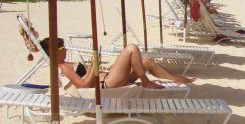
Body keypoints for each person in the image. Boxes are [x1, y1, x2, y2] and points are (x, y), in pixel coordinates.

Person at [40, 38, 196, 90]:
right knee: (131, 48)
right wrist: (94, 64)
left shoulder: (66, 63)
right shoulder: (63, 67)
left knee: (146, 61)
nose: (65, 49)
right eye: (62, 47)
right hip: (106, 84)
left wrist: (94, 65)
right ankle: (145, 81)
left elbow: (86, 76)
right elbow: (83, 85)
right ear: (53, 52)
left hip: (108, 77)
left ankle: (177, 78)